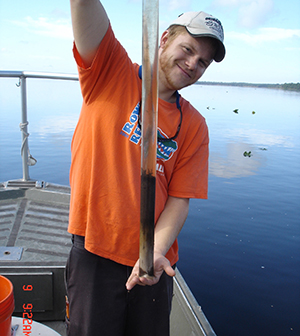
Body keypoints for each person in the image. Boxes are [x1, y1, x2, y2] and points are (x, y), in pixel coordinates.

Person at [65, 1, 225, 335]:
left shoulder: (195, 125)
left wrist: (153, 253)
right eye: (188, 49)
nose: (193, 64)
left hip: (155, 262)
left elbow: (180, 199)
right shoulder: (109, 69)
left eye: (203, 62)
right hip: (95, 249)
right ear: (164, 38)